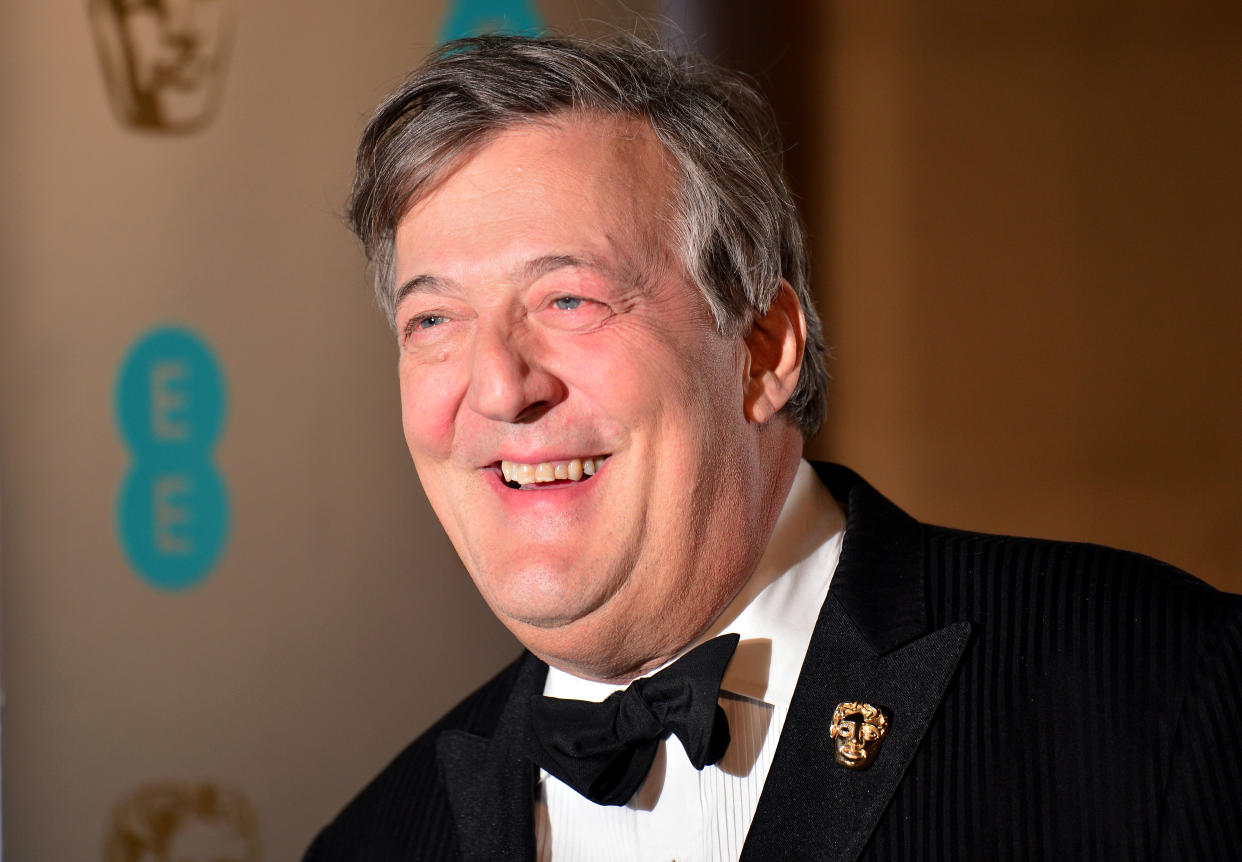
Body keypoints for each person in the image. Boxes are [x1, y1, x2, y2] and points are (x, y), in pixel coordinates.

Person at [305, 34, 1242, 861]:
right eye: (434, 319)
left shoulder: (1165, 690)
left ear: (764, 348)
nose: (502, 388)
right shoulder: (374, 840)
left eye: (569, 300)